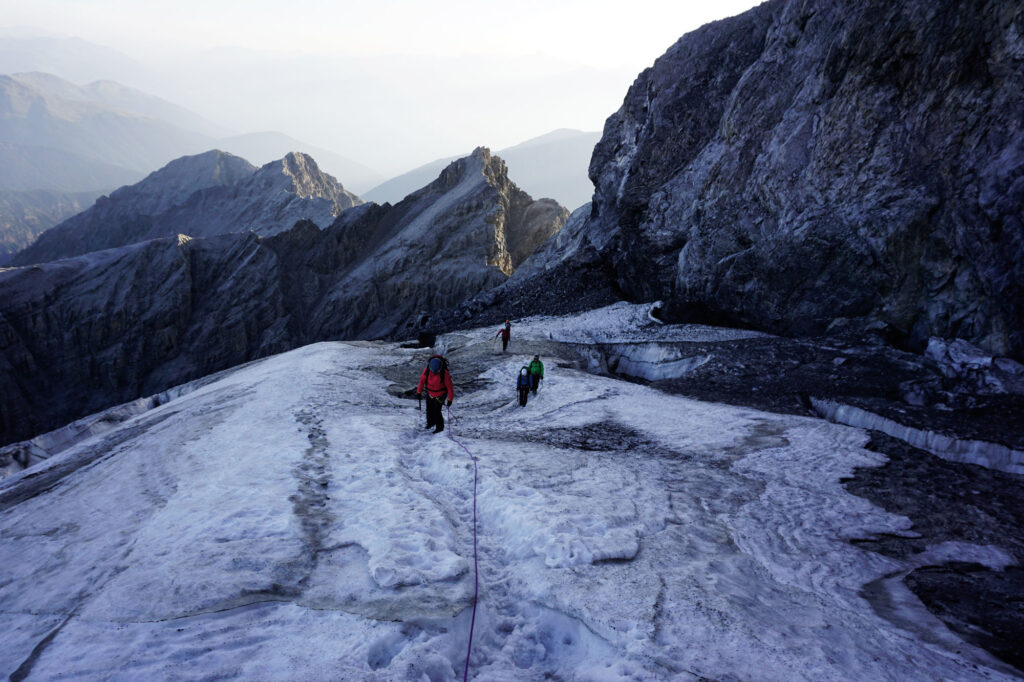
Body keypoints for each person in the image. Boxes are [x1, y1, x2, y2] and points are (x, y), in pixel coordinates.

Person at [416, 355, 454, 433]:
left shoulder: (445, 373)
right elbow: (421, 381)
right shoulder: (427, 371)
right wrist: (419, 392)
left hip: (441, 395)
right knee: (429, 409)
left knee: (437, 411)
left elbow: (450, 388)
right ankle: (430, 423)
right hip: (430, 393)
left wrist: (450, 399)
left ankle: (439, 428)